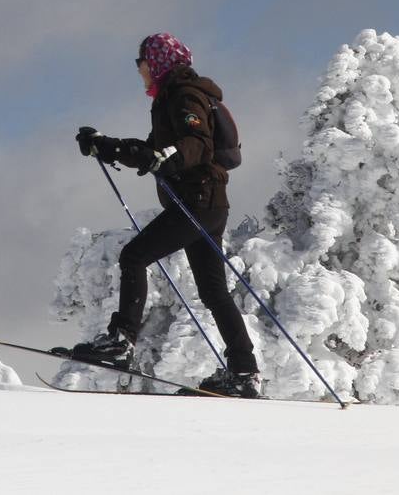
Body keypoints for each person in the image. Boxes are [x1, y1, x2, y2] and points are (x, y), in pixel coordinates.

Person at [71, 32, 260, 398]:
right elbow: (153, 150)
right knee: (213, 291)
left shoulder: (185, 94)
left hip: (198, 201)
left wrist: (166, 156)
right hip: (206, 203)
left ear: (156, 62)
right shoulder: (170, 98)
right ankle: (243, 371)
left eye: (141, 61)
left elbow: (196, 143)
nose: (138, 68)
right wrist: (107, 146)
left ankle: (120, 342)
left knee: (134, 256)